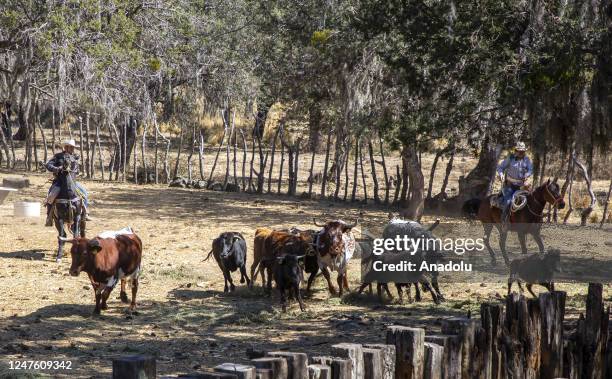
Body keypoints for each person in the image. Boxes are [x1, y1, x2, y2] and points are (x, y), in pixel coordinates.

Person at [44, 139, 90, 227]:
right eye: (70, 147)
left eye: (73, 147)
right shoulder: (57, 156)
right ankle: (49, 217)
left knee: (84, 192)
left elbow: (77, 170)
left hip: (72, 182)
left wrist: (74, 170)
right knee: (50, 197)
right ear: (65, 147)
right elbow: (48, 165)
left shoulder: (75, 157)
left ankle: (85, 213)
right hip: (59, 182)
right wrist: (57, 169)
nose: (72, 149)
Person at [496, 141, 533, 228]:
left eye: (523, 151)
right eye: (519, 151)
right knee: (508, 201)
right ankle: (503, 221)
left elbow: (530, 170)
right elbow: (500, 167)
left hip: (522, 186)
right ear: (516, 150)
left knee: (531, 200)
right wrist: (501, 175)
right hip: (510, 185)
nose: (521, 153)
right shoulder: (510, 158)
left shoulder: (527, 159)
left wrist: (527, 175)